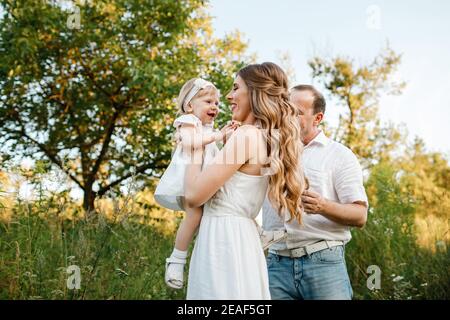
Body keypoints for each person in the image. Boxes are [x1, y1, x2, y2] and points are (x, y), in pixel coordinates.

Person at [183, 62, 308, 299]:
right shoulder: (262, 137)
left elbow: (193, 195)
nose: (228, 96)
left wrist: (193, 145)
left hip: (224, 239)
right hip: (241, 238)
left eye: (235, 88)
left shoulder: (246, 135)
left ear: (254, 92)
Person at [263, 84, 369, 300]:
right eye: (286, 110)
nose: (288, 117)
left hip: (323, 264)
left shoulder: (340, 155)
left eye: (297, 113)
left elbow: (360, 216)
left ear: (317, 118)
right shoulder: (268, 151)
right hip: (274, 264)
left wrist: (323, 206)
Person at [154, 78, 238, 289]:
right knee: (195, 215)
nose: (215, 107)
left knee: (227, 201)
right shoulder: (188, 121)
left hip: (205, 177)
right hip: (188, 179)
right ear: (190, 105)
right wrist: (218, 135)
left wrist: (226, 133)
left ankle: (255, 229)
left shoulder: (207, 128)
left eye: (217, 103)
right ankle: (176, 259)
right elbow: (190, 143)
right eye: (208, 101)